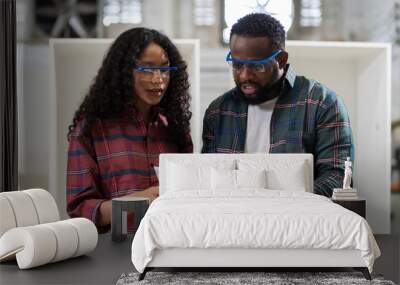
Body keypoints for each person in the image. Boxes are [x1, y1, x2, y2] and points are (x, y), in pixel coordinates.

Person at [201, 13, 354, 197]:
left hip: (299, 221)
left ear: (281, 59)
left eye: (257, 66)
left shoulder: (322, 104)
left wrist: (276, 202)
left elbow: (337, 179)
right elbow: (208, 179)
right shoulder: (218, 112)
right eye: (237, 65)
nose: (244, 76)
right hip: (231, 220)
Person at [66, 27, 193, 231]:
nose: (158, 79)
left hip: (171, 243)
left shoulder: (174, 127)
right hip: (114, 250)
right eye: (147, 69)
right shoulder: (91, 129)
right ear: (124, 71)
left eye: (164, 69)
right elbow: (80, 212)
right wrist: (138, 202)